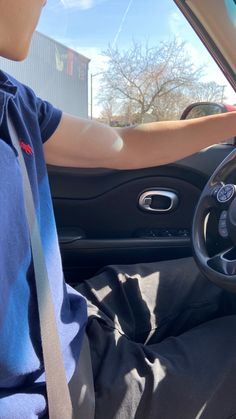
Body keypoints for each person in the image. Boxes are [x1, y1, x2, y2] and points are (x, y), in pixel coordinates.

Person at [0, 1, 236, 418]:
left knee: (212, 283)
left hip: (69, 318)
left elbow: (123, 144)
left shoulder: (13, 102)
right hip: (54, 390)